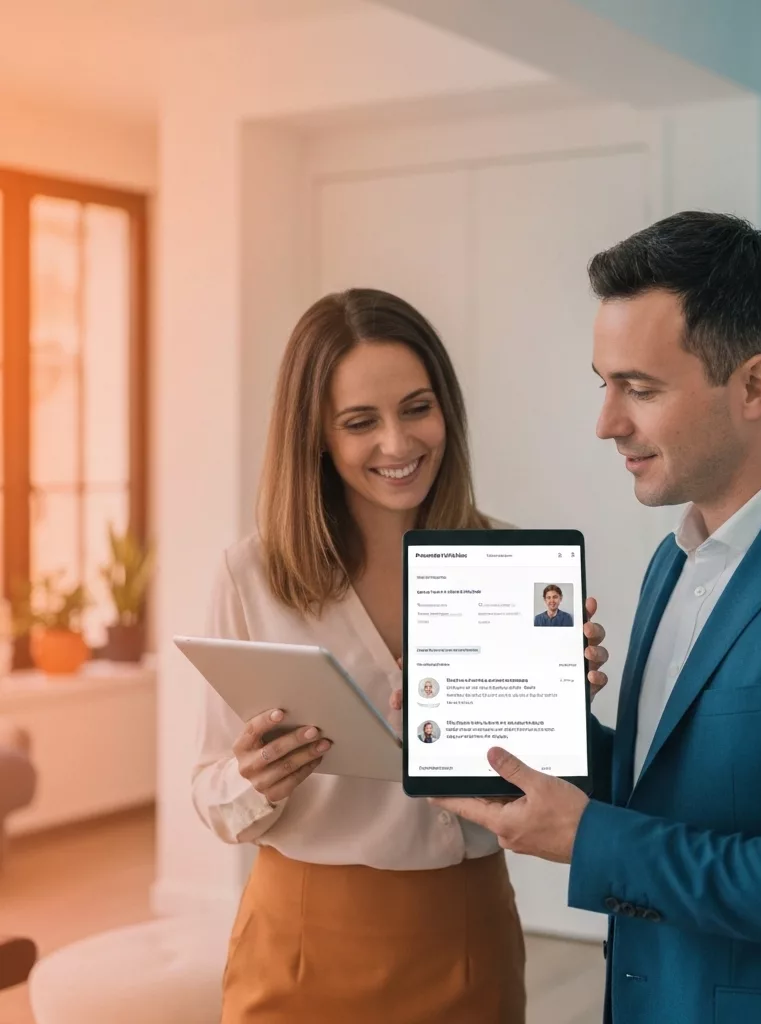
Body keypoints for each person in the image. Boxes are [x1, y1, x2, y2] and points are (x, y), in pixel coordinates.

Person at [433, 213, 761, 1024]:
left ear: (755, 385)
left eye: (640, 389)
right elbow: (673, 791)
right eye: (603, 383)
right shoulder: (673, 561)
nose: (606, 422)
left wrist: (592, 842)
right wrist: (529, 727)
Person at [191, 288, 610, 1023]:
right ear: (317, 435)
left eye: (417, 408)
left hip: (465, 935)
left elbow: (532, 788)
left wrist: (555, 708)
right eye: (361, 422)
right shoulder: (251, 577)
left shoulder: (513, 566)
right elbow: (212, 795)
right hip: (298, 944)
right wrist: (255, 779)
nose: (397, 443)